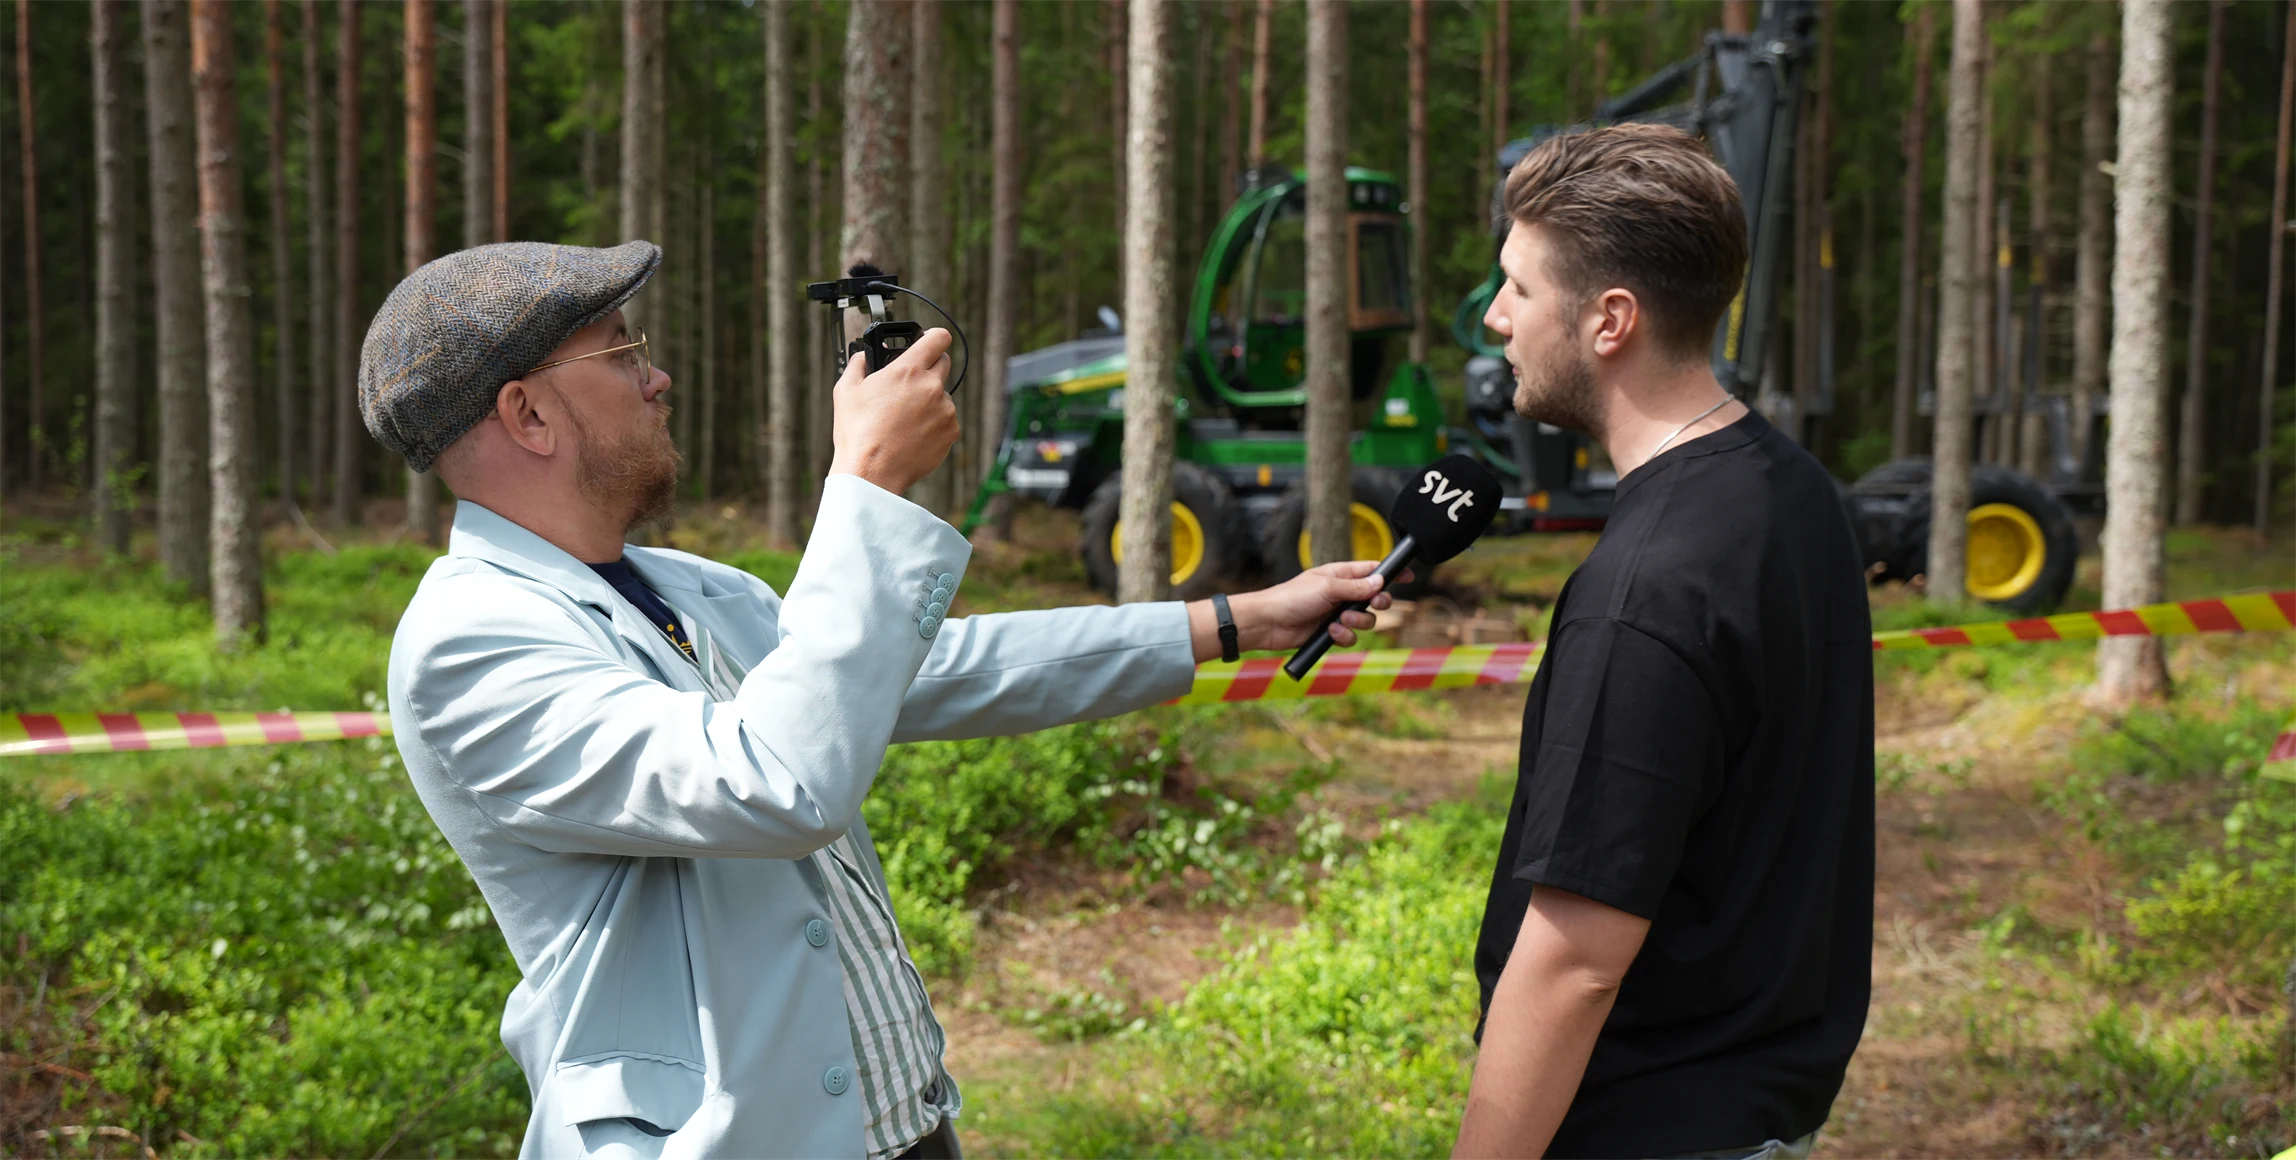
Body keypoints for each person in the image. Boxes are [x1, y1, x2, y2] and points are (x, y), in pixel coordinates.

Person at [360, 240, 1396, 1160]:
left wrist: (1235, 618)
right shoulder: (470, 641)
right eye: (623, 352)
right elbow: (774, 781)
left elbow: (933, 668)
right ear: (527, 413)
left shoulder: (678, 586)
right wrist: (863, 482)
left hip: (902, 1126)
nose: (657, 375)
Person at [1450, 125, 1873, 1160]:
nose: (1497, 316)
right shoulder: (1794, 491)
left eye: (1519, 287)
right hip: (1761, 1111)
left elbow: (1575, 962)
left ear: (1610, 320)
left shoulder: (1643, 592)